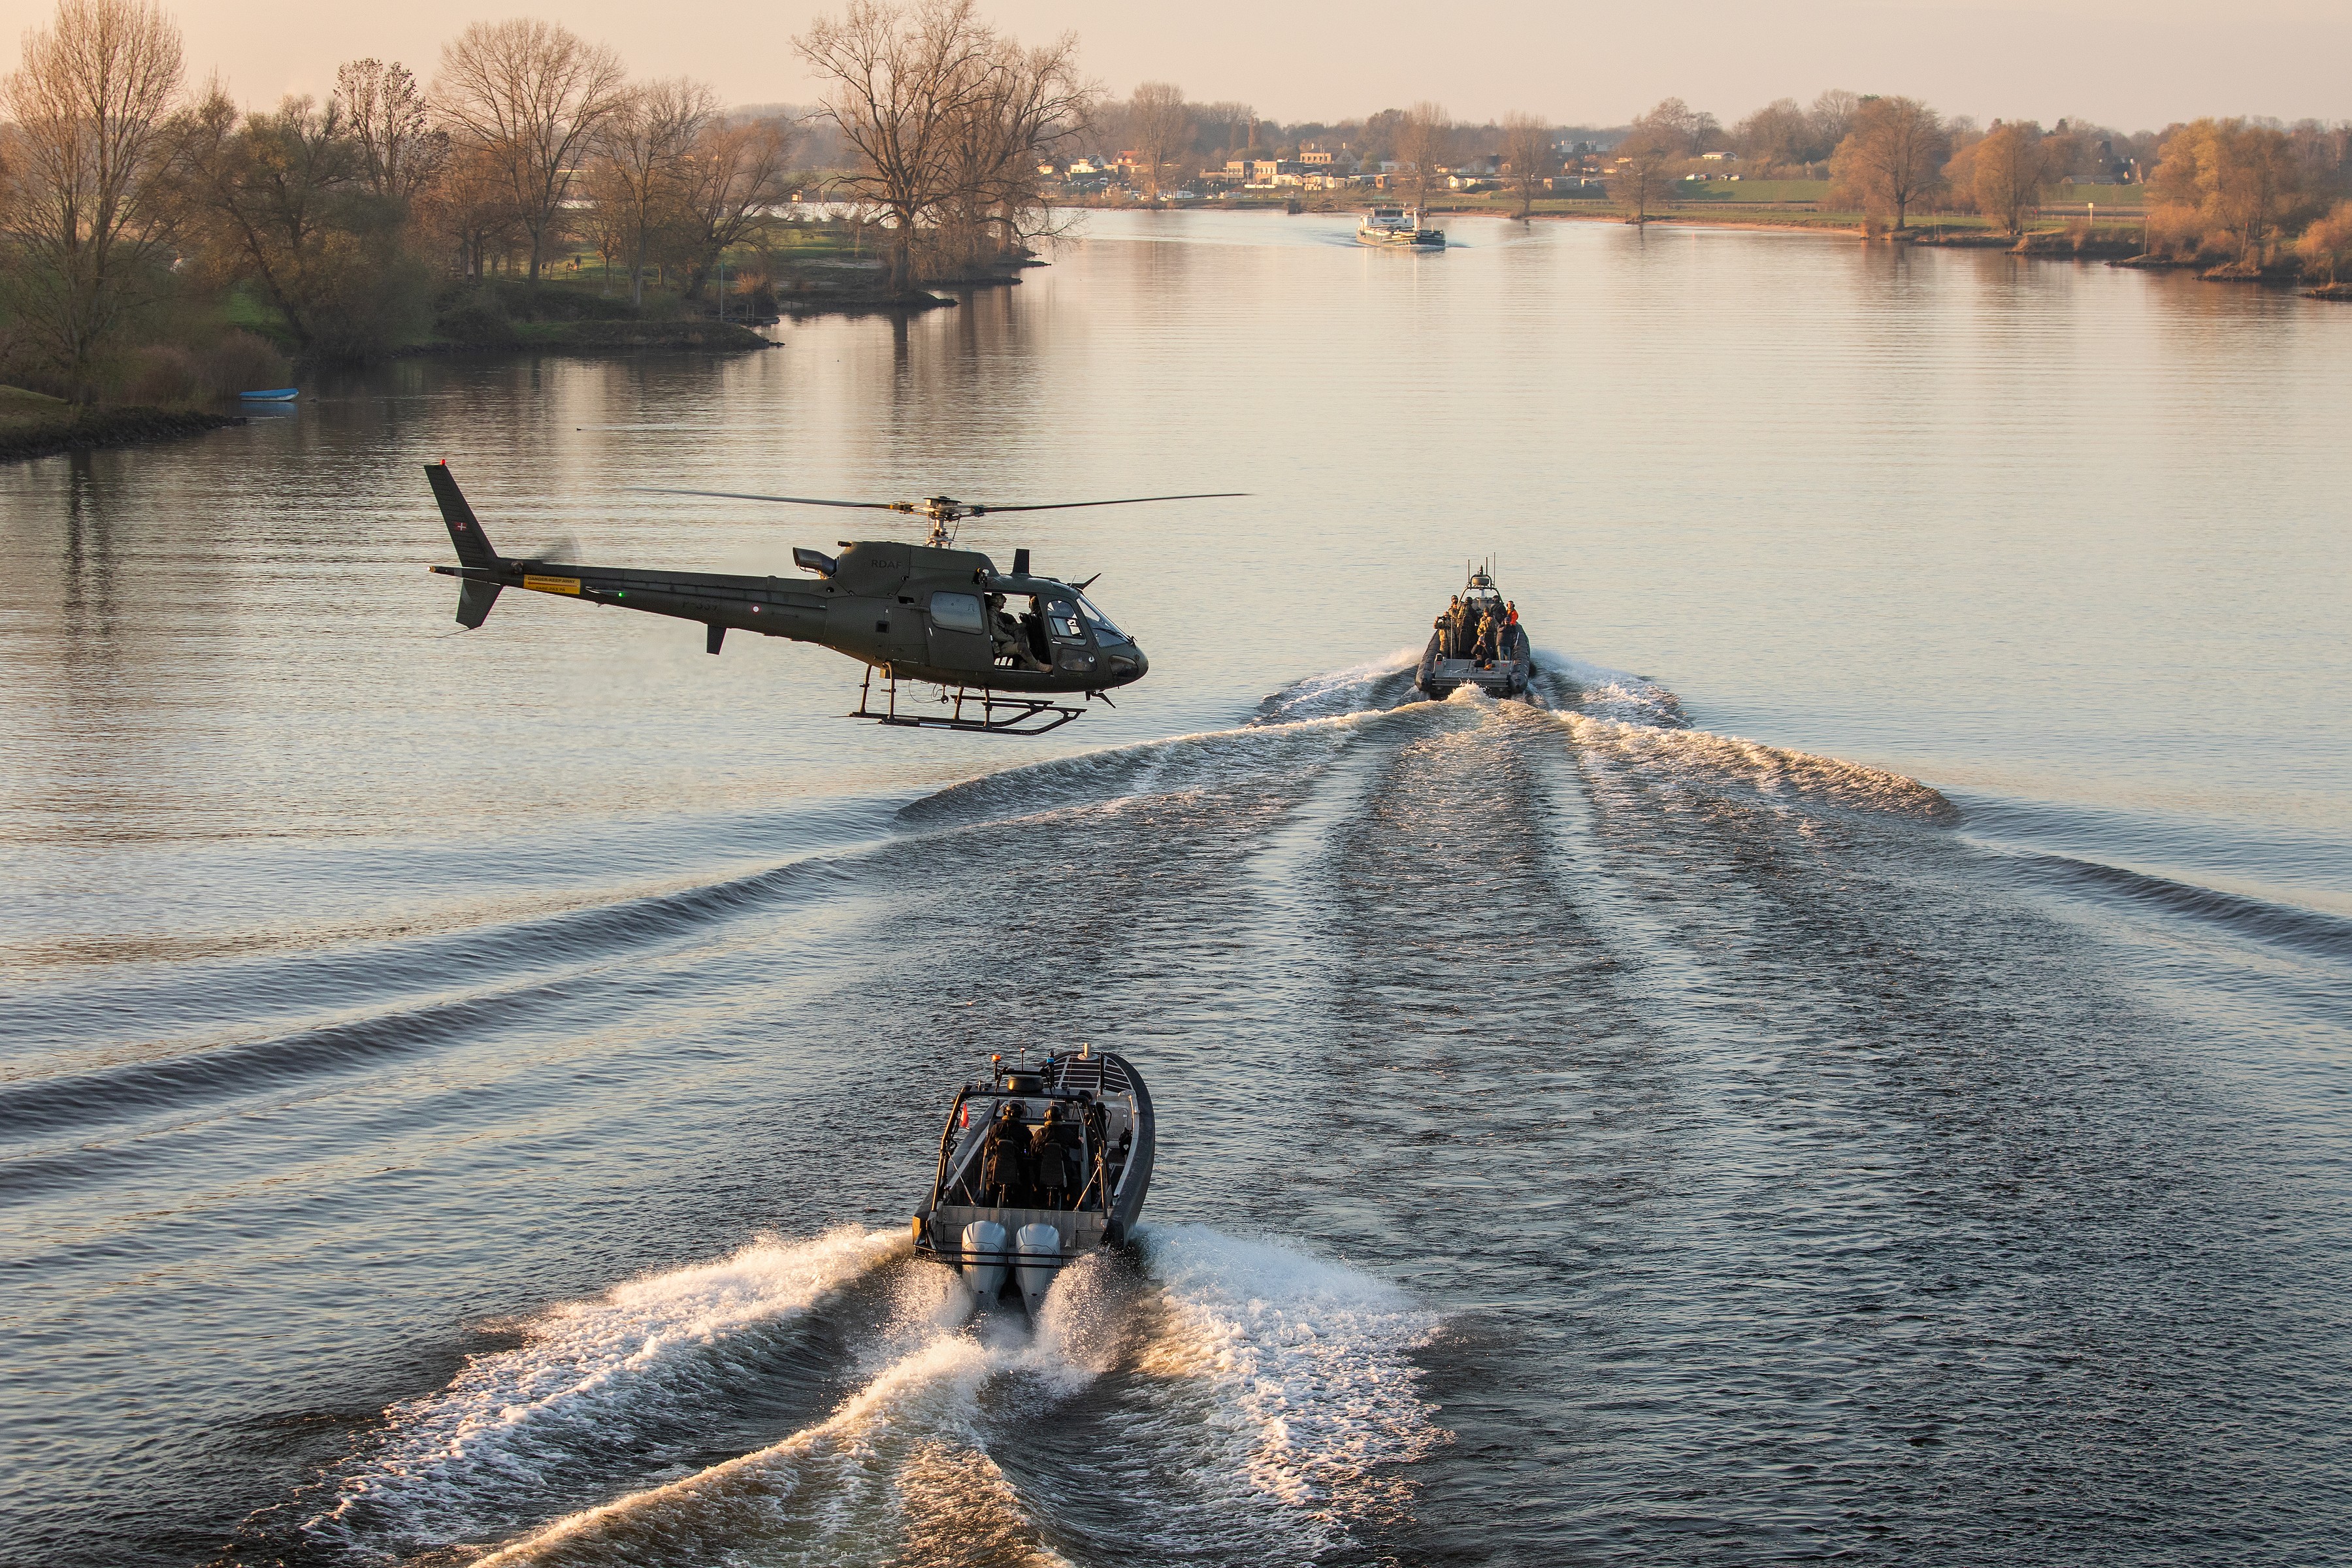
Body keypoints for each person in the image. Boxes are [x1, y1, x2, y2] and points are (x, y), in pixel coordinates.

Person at [981, 1102, 1031, 1205]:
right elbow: (1032, 1146)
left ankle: (988, 1205)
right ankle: (1026, 1205)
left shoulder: (996, 1128)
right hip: (1017, 1166)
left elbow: (987, 1145)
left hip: (996, 1166)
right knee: (1027, 1180)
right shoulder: (1023, 1130)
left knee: (990, 1181)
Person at [1030, 1103, 1077, 1209]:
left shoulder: (1040, 1132)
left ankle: (1035, 1203)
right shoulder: (1066, 1132)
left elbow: (1033, 1152)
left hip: (1042, 1168)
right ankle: (1073, 1205)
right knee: (1075, 1181)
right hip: (1064, 1167)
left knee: (1033, 1176)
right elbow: (1077, 1145)